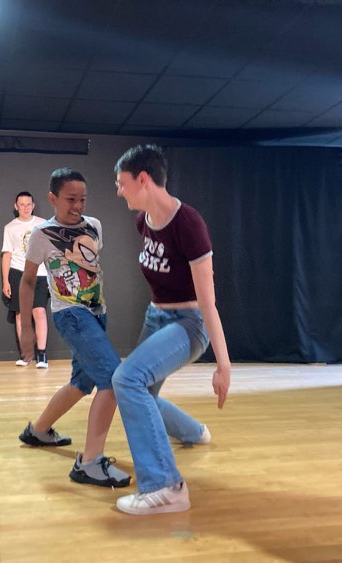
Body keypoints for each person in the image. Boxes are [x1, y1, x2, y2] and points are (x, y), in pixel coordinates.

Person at [111, 144, 232, 515]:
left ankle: (166, 487)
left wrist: (223, 365)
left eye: (122, 183)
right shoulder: (142, 220)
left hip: (189, 323)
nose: (118, 191)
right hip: (156, 317)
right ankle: (193, 431)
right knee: (139, 390)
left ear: (143, 179)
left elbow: (208, 301)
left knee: (126, 381)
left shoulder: (188, 224)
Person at [18, 168, 131, 488]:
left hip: (97, 315)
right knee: (112, 378)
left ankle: (37, 431)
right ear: (52, 199)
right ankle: (90, 462)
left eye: (82, 199)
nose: (77, 205)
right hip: (70, 315)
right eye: (70, 199)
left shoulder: (94, 225)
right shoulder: (41, 235)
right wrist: (26, 329)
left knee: (81, 384)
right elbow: (27, 282)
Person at [1, 191, 49, 368]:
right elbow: (7, 254)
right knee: (21, 315)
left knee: (39, 312)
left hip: (40, 273)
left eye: (28, 204)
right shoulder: (10, 227)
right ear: (16, 206)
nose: (25, 207)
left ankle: (42, 355)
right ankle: (26, 355)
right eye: (22, 204)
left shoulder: (43, 224)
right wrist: (6, 281)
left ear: (33, 205)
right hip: (18, 273)